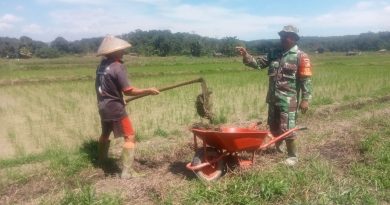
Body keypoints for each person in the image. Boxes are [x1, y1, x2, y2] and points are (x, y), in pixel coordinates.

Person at [237, 25, 312, 166]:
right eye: (282, 36)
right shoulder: (274, 53)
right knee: (273, 125)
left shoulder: (301, 56)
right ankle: (278, 148)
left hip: (289, 100)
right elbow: (258, 64)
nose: (284, 38)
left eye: (287, 36)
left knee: (288, 127)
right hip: (273, 99)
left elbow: (306, 80)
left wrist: (305, 99)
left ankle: (292, 156)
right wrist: (246, 55)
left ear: (294, 39)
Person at [95, 35, 159, 178]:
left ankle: (102, 161)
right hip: (115, 109)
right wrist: (148, 90)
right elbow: (128, 90)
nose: (123, 52)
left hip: (103, 106)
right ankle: (127, 172)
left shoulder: (101, 66)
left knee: (105, 134)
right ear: (114, 51)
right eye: (121, 50)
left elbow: (103, 88)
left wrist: (117, 98)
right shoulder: (118, 67)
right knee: (129, 136)